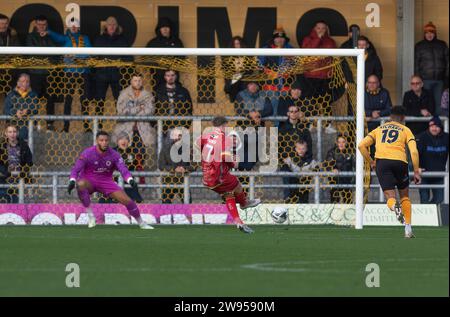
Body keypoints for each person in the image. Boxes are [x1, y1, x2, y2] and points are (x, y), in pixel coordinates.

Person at [67, 131, 153, 229]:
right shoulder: (87, 153)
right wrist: (72, 181)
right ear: (97, 141)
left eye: (106, 140)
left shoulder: (114, 154)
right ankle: (91, 216)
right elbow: (76, 169)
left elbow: (123, 169)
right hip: (89, 181)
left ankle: (142, 223)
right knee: (80, 184)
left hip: (106, 181)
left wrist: (130, 180)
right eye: (101, 140)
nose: (104, 142)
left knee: (127, 200)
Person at [358, 106, 421, 238]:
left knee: (390, 197)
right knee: (404, 197)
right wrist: (416, 171)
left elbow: (361, 145)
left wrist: (371, 162)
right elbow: (414, 152)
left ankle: (394, 206)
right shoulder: (406, 130)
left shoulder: (379, 129)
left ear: (390, 117)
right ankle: (408, 230)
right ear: (403, 118)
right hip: (400, 163)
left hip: (383, 163)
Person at [198, 116, 261, 234]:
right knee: (236, 185)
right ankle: (244, 203)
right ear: (224, 125)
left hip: (206, 176)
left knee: (228, 194)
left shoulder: (208, 135)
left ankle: (238, 222)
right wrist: (234, 163)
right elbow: (226, 157)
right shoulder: (223, 138)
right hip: (218, 176)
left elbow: (198, 143)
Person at [47, 18, 92, 132]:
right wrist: (47, 31)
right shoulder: (65, 38)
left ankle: (87, 127)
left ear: (78, 27)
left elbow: (90, 51)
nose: (73, 27)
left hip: (84, 73)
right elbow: (56, 37)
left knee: (84, 100)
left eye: (75, 25)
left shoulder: (85, 38)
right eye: (71, 25)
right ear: (68, 27)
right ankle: (65, 127)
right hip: (70, 73)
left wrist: (75, 57)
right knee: (68, 100)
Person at [301, 21, 337, 133]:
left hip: (325, 76)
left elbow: (331, 58)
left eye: (323, 28)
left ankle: (328, 125)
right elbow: (309, 52)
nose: (320, 30)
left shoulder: (330, 41)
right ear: (314, 29)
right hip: (311, 75)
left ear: (326, 30)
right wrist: (318, 38)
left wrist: (331, 71)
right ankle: (311, 123)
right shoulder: (307, 39)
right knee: (310, 101)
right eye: (318, 28)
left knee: (326, 101)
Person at [93, 16, 130, 120]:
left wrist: (122, 64)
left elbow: (129, 57)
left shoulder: (122, 40)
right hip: (101, 75)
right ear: (106, 26)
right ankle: (98, 126)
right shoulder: (99, 39)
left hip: (117, 75)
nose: (112, 27)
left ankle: (121, 125)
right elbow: (93, 58)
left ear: (117, 27)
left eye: (114, 25)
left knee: (119, 101)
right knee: (99, 101)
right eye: (110, 25)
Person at [112, 73, 156, 160]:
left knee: (140, 154)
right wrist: (139, 107)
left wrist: (131, 110)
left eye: (139, 80)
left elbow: (150, 111)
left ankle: (139, 172)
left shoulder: (147, 94)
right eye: (135, 80)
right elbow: (122, 111)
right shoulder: (124, 94)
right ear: (131, 81)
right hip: (125, 129)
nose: (138, 83)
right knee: (124, 154)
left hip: (142, 130)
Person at [25, 15, 58, 131]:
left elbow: (55, 53)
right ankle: (34, 124)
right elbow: (34, 54)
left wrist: (47, 38)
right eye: (39, 24)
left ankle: (49, 124)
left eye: (44, 25)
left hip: (49, 73)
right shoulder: (31, 36)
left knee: (50, 98)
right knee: (35, 98)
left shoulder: (50, 36)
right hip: (35, 73)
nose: (42, 27)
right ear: (35, 24)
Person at [99, 131, 144, 204]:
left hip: (128, 180)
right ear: (117, 141)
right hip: (114, 180)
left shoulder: (132, 152)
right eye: (121, 139)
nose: (123, 141)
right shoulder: (111, 152)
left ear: (129, 141)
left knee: (134, 199)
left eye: (126, 139)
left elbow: (138, 163)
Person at [258, 27, 294, 116]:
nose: (279, 40)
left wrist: (289, 65)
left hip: (287, 85)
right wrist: (271, 73)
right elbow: (259, 66)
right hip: (270, 84)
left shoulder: (291, 49)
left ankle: (285, 128)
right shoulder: (266, 49)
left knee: (288, 108)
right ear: (273, 39)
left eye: (282, 37)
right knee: (274, 107)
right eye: (277, 37)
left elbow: (296, 66)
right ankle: (276, 128)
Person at [414, 22, 449, 114]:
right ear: (424, 34)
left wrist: (446, 78)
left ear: (435, 33)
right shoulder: (419, 46)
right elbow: (416, 64)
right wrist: (418, 79)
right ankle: (428, 125)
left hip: (440, 80)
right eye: (427, 33)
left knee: (439, 104)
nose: (429, 35)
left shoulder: (442, 44)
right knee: (427, 103)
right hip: (425, 80)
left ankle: (438, 125)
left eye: (431, 32)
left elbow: (447, 62)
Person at [416, 116, 449, 204]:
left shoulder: (446, 137)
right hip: (424, 174)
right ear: (429, 127)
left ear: (440, 127)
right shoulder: (422, 137)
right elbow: (414, 154)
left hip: (439, 175)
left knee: (439, 199)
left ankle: (432, 212)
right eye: (432, 126)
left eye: (436, 126)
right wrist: (416, 168)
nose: (434, 129)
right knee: (424, 200)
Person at [158, 127, 193, 204]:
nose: (177, 137)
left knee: (187, 204)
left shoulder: (188, 149)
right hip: (169, 181)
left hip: (183, 180)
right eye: (175, 135)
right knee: (166, 205)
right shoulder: (165, 148)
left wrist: (185, 168)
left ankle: (187, 215)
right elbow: (161, 165)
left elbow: (194, 165)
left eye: (180, 135)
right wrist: (174, 169)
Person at [146, 17, 184, 87]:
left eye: (167, 27)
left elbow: (182, 58)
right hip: (157, 76)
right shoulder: (153, 43)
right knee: (158, 95)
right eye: (162, 27)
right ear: (159, 29)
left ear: (170, 29)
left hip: (173, 76)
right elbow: (147, 59)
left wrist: (171, 65)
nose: (165, 29)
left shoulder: (177, 41)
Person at [0, 125, 33, 203]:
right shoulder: (2, 146)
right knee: (5, 201)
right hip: (5, 178)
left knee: (17, 202)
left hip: (19, 179)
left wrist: (22, 171)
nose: (12, 134)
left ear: (17, 133)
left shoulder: (23, 145)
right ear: (6, 133)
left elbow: (29, 161)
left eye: (14, 132)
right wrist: (6, 170)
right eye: (10, 132)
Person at [3, 73, 39, 140]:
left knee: (23, 133)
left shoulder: (33, 95)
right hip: (13, 123)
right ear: (18, 83)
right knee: (12, 134)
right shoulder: (11, 95)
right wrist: (15, 112)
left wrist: (28, 111)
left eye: (27, 81)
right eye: (22, 81)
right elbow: (6, 109)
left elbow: (35, 109)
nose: (25, 84)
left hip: (27, 124)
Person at [223, 36, 253, 102]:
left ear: (241, 44)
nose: (236, 46)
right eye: (235, 44)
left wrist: (240, 74)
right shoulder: (228, 59)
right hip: (233, 86)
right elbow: (226, 73)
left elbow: (250, 71)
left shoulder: (248, 57)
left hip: (245, 84)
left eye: (238, 43)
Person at [326, 135, 354, 203]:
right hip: (335, 181)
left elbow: (356, 164)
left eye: (343, 142)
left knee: (348, 202)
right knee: (334, 201)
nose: (341, 144)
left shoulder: (351, 152)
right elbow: (328, 164)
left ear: (346, 142)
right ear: (336, 143)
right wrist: (333, 168)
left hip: (347, 181)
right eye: (339, 142)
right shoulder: (332, 152)